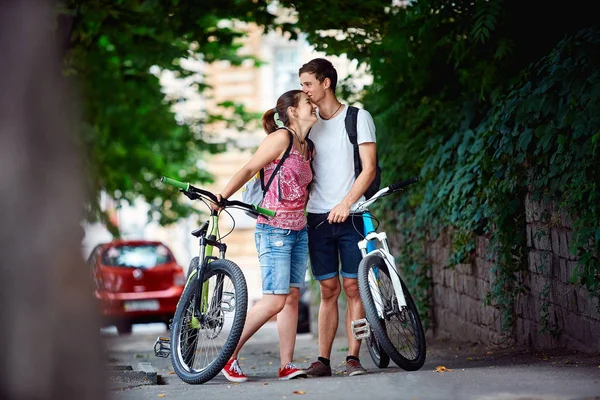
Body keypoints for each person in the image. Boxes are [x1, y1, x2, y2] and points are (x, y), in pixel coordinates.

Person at [213, 89, 317, 382]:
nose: (314, 104)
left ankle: (287, 364)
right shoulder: (281, 138)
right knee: (274, 300)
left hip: (298, 230)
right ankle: (228, 356)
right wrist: (221, 197)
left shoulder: (308, 146)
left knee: (292, 297)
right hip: (274, 230)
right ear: (294, 111)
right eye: (308, 101)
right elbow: (249, 168)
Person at [298, 58, 377, 377]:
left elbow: (369, 168)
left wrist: (346, 203)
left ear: (325, 83)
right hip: (317, 219)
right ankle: (322, 360)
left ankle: (354, 358)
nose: (303, 90)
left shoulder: (358, 118)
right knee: (327, 289)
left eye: (307, 83)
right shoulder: (309, 124)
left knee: (354, 288)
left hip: (353, 216)